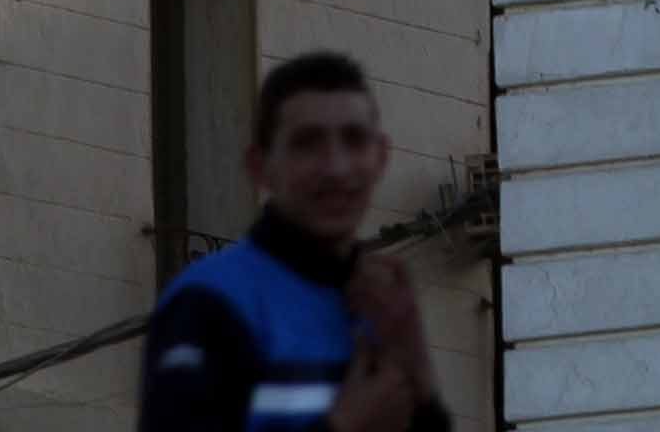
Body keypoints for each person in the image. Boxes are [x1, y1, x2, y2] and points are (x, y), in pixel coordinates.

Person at [140, 52, 448, 432]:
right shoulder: (207, 304)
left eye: (354, 140)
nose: (336, 168)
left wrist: (418, 368)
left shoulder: (383, 311)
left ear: (381, 156)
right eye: (307, 143)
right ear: (259, 167)